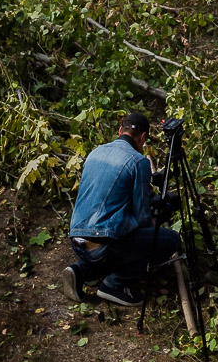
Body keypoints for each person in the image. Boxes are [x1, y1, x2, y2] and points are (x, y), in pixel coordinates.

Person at [63, 111, 182, 308]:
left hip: (77, 241)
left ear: (120, 130)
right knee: (170, 240)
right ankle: (114, 284)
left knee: (117, 241)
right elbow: (142, 216)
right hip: (102, 245)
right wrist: (155, 220)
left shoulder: (96, 152)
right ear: (143, 137)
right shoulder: (138, 161)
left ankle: (79, 271)